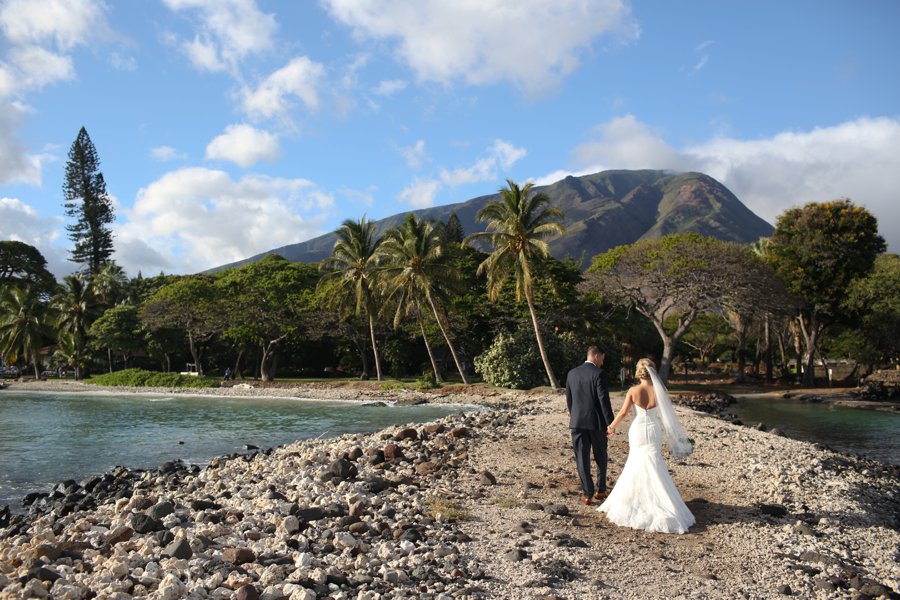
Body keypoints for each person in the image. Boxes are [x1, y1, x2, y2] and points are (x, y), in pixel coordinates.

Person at [597, 358, 695, 534]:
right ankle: (664, 501)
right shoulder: (659, 392)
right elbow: (666, 416)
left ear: (638, 372)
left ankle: (637, 501)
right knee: (654, 462)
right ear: (653, 371)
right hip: (654, 430)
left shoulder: (633, 391)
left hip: (638, 430)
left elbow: (623, 412)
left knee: (636, 462)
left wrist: (611, 427)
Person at [565, 345, 614, 506]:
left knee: (581, 457)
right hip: (597, 422)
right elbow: (603, 401)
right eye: (603, 358)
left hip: (577, 422)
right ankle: (600, 490)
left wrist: (575, 417)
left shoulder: (572, 373)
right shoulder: (599, 374)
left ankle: (587, 494)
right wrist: (611, 423)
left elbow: (569, 400)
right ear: (597, 356)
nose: (603, 362)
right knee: (600, 455)